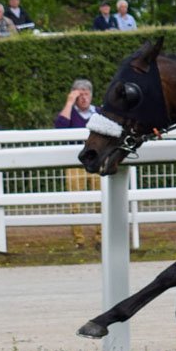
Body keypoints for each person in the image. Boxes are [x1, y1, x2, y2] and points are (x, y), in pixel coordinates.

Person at [54, 79, 100, 248]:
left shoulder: (98, 112)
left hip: (96, 160)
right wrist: (69, 102)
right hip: (75, 163)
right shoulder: (70, 113)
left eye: (86, 94)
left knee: (101, 200)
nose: (84, 98)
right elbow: (60, 128)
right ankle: (78, 239)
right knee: (75, 202)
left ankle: (101, 237)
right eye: (80, 95)